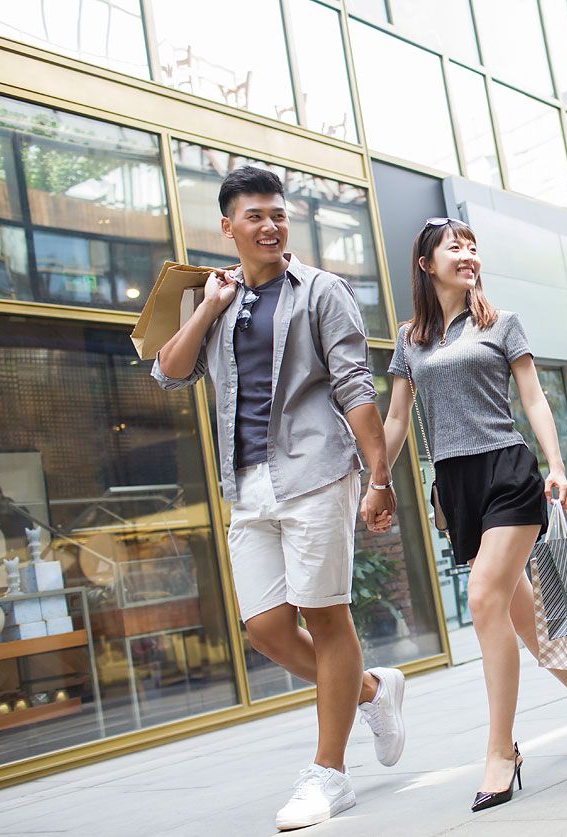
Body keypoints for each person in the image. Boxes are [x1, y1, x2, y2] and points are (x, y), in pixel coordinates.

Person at [152, 166, 406, 831]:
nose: (269, 226)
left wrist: (379, 478)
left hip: (317, 471)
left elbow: (355, 387)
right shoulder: (217, 301)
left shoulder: (322, 291)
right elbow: (169, 372)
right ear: (228, 227)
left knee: (325, 616)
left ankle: (330, 773)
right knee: (264, 626)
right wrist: (207, 306)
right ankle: (374, 692)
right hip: (248, 484)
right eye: (255, 216)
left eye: (278, 215)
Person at [383, 217, 567, 813]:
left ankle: (500, 750)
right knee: (522, 618)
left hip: (508, 470)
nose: (468, 253)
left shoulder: (501, 323)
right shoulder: (409, 339)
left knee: (485, 599)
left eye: (472, 246)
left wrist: (555, 464)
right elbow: (400, 419)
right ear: (426, 264)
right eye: (454, 247)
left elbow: (533, 396)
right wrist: (377, 478)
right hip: (456, 484)